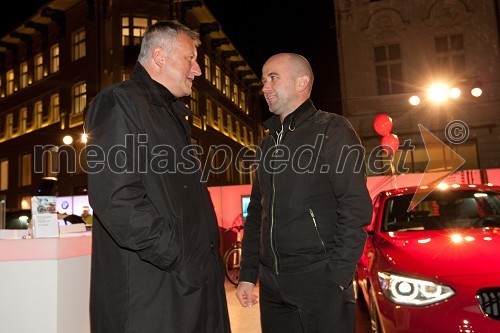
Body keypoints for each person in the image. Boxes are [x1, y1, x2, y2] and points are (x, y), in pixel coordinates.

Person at [85, 21, 230, 333]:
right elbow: (116, 197)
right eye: (190, 58)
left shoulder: (171, 114)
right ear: (160, 57)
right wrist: (175, 255)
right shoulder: (119, 103)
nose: (198, 70)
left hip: (187, 288)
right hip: (153, 295)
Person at [236, 53, 373, 333]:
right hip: (273, 286)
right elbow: (257, 213)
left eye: (273, 78)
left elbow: (355, 207)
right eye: (263, 81)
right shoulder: (267, 145)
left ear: (302, 82)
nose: (264, 87)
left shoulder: (332, 130)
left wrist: (337, 276)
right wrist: (248, 274)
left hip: (320, 281)